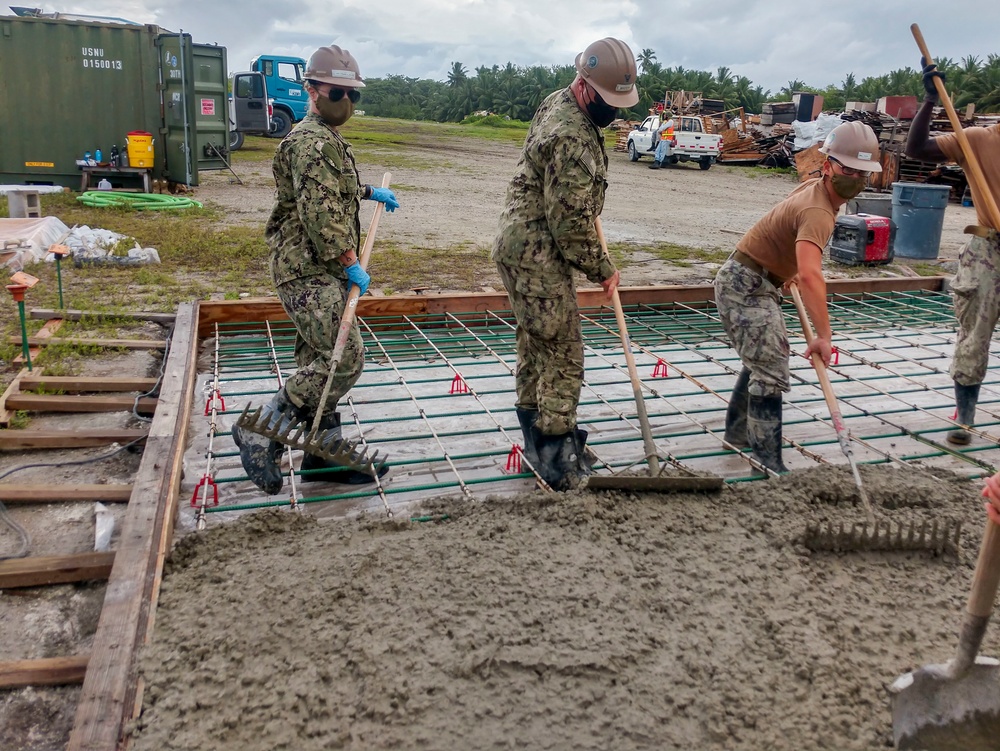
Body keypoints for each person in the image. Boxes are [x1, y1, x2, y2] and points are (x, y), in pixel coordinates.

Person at [233, 44, 399, 494]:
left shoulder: (323, 137)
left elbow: (331, 188)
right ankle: (261, 427)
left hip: (317, 268)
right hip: (307, 269)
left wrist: (367, 193)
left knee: (318, 358)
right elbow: (320, 215)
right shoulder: (310, 141)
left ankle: (323, 457)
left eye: (352, 94)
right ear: (312, 89)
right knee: (344, 359)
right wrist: (350, 264)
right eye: (337, 91)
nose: (345, 100)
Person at [492, 37, 635, 490]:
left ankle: (540, 437)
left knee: (536, 344)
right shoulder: (570, 134)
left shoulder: (560, 101)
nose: (614, 111)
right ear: (586, 86)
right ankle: (556, 454)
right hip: (538, 252)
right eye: (609, 102)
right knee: (563, 353)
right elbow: (571, 225)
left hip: (521, 243)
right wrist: (603, 267)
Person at [714, 120, 882, 474]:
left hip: (758, 279)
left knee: (763, 358)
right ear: (828, 165)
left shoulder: (816, 190)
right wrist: (824, 336)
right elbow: (811, 275)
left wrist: (783, 270)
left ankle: (737, 435)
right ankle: (767, 462)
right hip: (745, 285)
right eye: (846, 168)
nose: (853, 176)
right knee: (771, 368)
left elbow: (785, 228)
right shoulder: (818, 211)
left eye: (861, 171)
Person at [906, 59, 1000, 446]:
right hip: (989, 250)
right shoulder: (980, 140)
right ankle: (965, 417)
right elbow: (917, 148)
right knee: (974, 334)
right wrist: (929, 101)